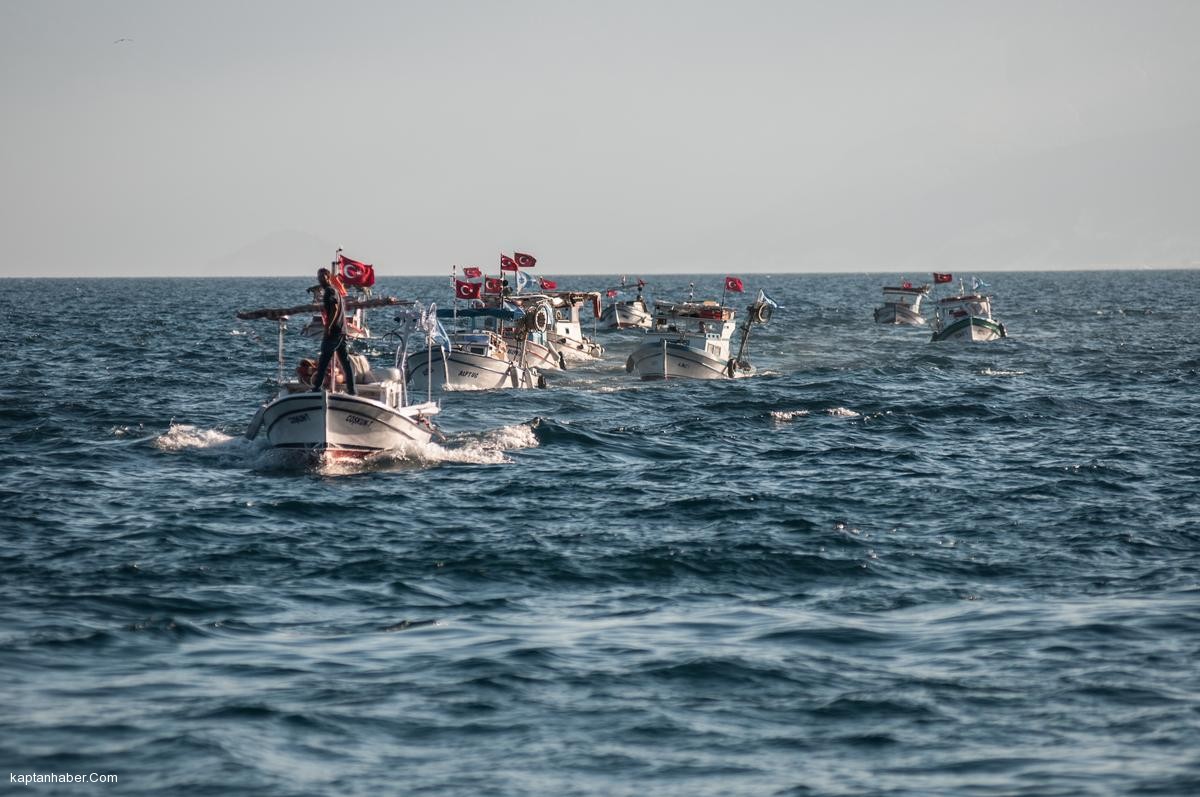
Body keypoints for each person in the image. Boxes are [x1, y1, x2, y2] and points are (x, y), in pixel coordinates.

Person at [309, 267, 356, 395]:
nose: (320, 280)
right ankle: (352, 391)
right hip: (341, 331)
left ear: (328, 277)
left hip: (334, 332)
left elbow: (335, 308)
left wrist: (328, 326)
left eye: (322, 277)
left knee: (324, 359)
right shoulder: (335, 290)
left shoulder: (330, 291)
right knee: (345, 362)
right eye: (318, 277)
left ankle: (316, 387)